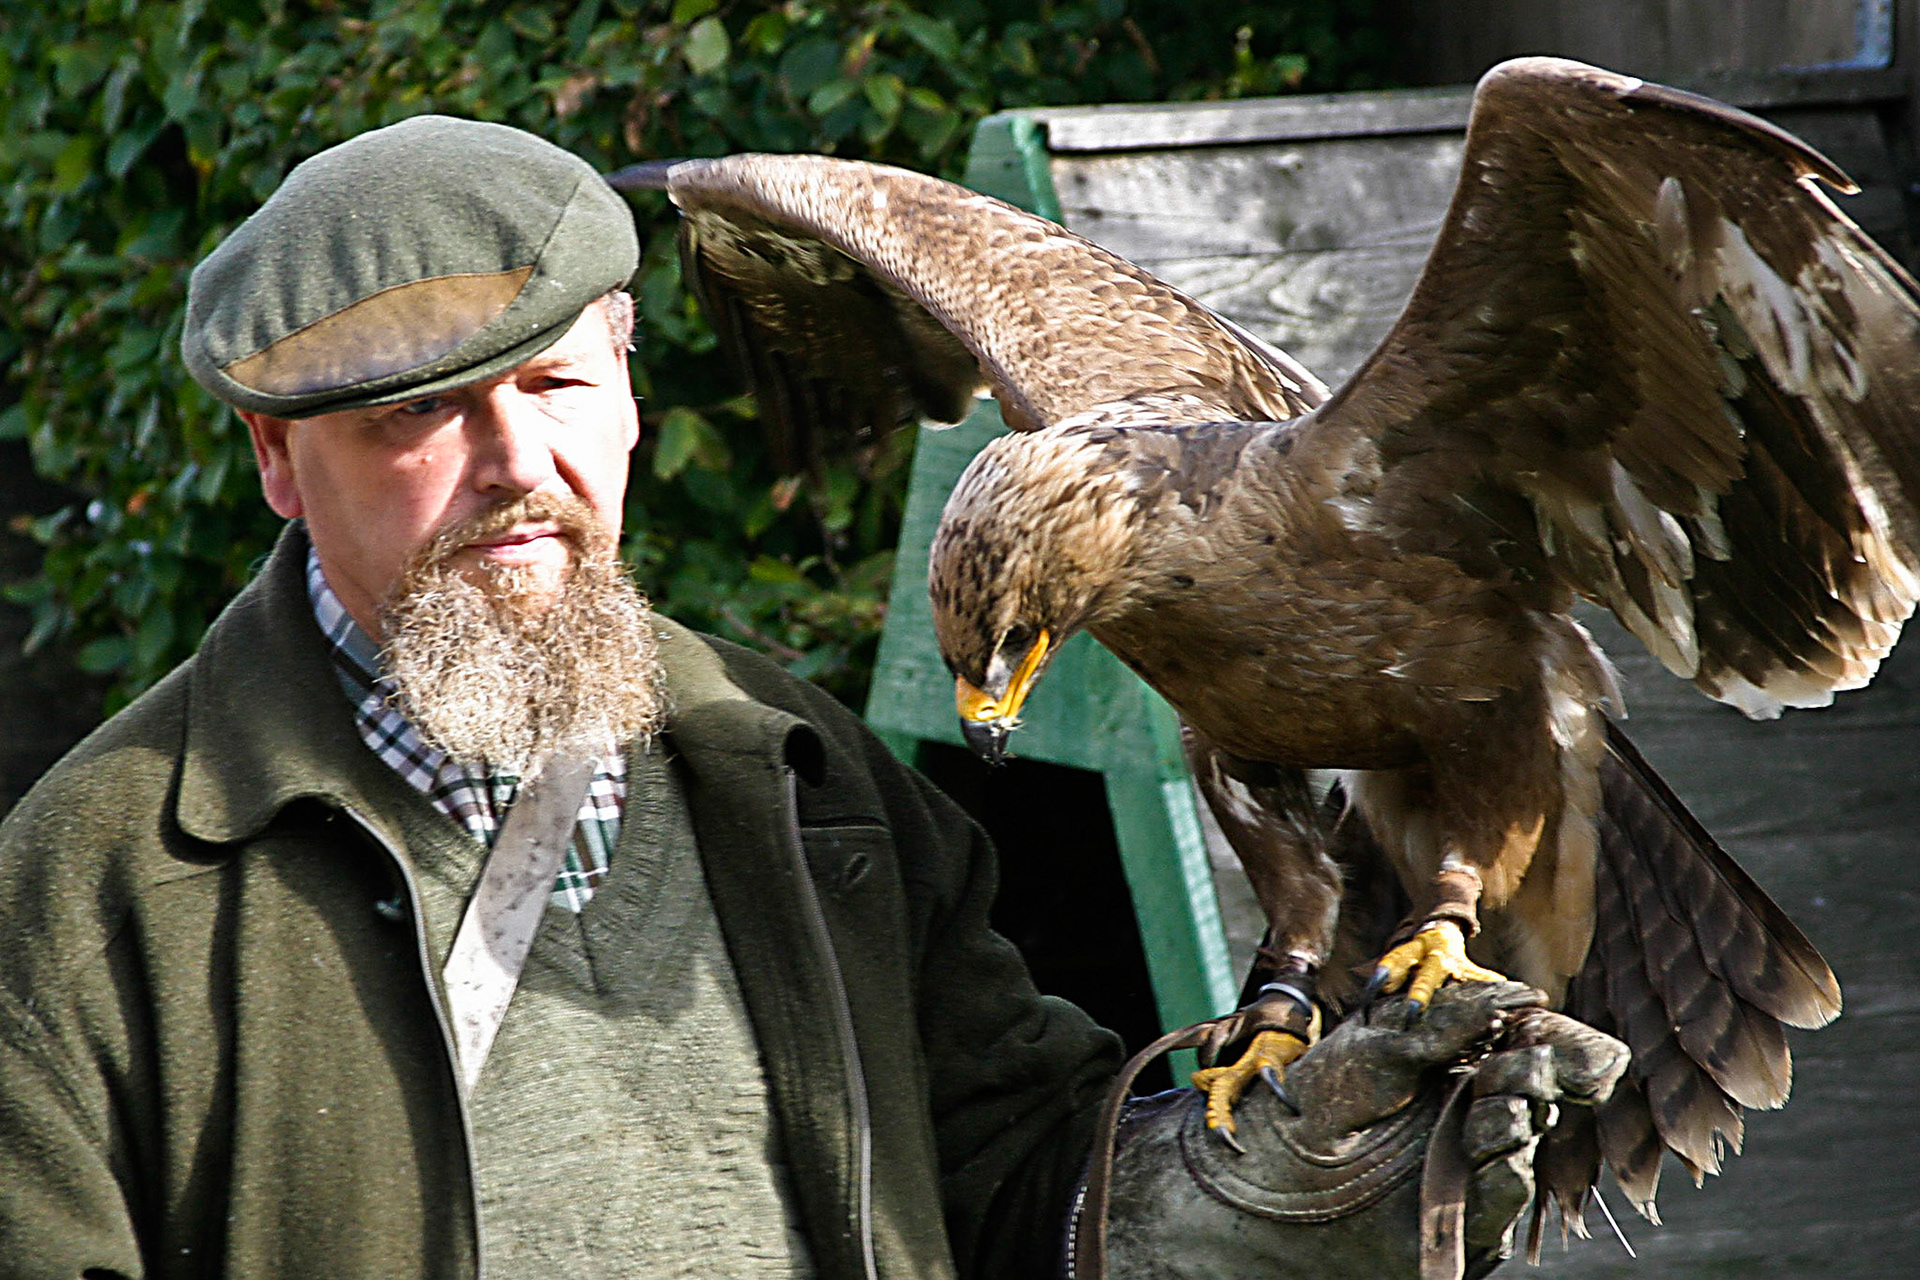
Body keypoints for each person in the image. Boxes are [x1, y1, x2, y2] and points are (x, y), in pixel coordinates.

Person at [0, 116, 1623, 1280]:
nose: (518, 468)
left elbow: (1022, 1188)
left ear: (629, 395)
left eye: (557, 386)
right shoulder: (89, 894)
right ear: (279, 460)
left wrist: (1287, 1188)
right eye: (422, 419)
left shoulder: (800, 775)